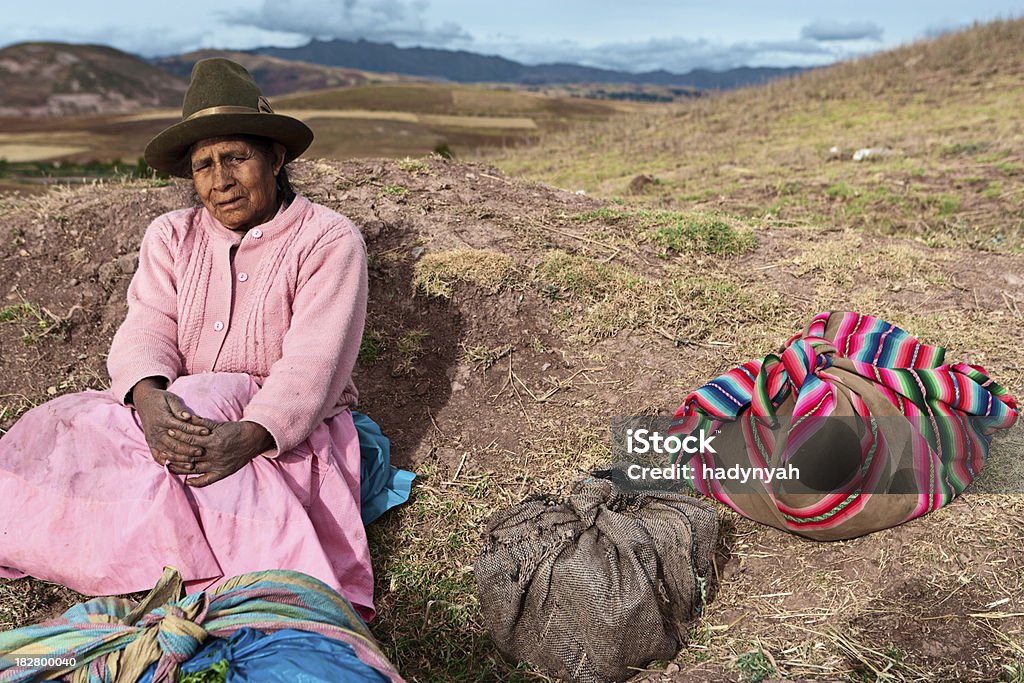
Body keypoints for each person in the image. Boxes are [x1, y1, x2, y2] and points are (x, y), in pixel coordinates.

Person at [0, 59, 378, 619]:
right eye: (204, 165)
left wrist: (249, 437)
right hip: (178, 410)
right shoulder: (171, 235)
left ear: (274, 158)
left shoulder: (328, 241)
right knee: (61, 422)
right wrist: (149, 401)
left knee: (200, 422)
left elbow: (312, 365)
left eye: (236, 158)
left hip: (273, 425)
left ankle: (204, 572)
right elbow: (148, 324)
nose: (220, 180)